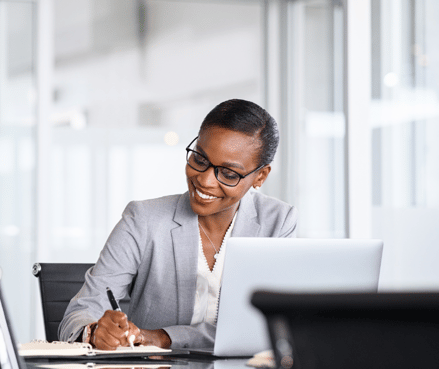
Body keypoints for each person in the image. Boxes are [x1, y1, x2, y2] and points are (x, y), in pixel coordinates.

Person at [58, 99, 298, 350]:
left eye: (228, 174)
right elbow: (79, 314)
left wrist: (162, 337)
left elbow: (267, 328)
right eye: (200, 159)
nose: (204, 180)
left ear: (260, 176)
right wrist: (94, 331)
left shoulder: (278, 223)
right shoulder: (144, 219)